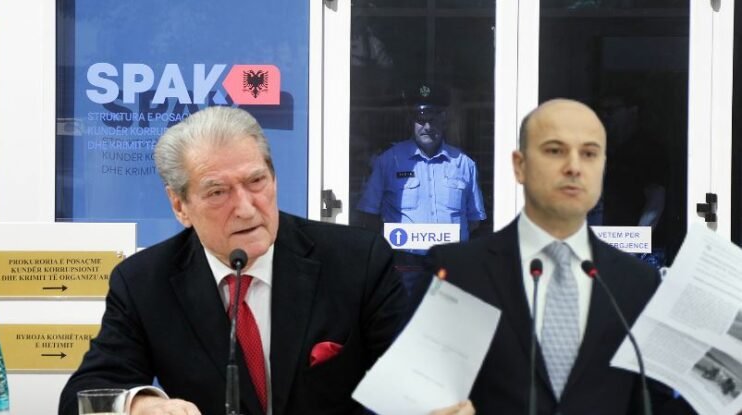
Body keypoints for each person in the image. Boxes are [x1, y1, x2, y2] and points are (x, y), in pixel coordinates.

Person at [58, 106, 470, 415]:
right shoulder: (144, 282)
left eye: (256, 181)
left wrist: (436, 400)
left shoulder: (356, 260)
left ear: (273, 178)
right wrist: (141, 405)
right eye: (217, 192)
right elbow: (81, 397)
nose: (245, 208)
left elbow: (414, 380)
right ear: (180, 205)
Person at [415, 99, 695, 414]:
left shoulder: (638, 283)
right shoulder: (456, 271)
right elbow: (411, 392)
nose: (574, 167)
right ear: (520, 166)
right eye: (554, 151)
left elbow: (651, 403)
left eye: (589, 154)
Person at [356, 83, 486, 242]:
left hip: (450, 256)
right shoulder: (388, 161)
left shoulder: (464, 163)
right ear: (411, 121)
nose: (428, 127)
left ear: (443, 120)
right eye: (421, 120)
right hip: (403, 256)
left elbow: (474, 221)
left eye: (433, 119)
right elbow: (369, 215)